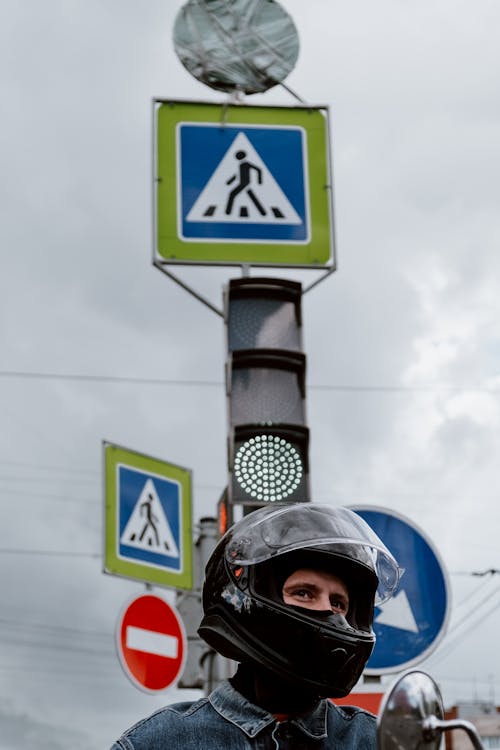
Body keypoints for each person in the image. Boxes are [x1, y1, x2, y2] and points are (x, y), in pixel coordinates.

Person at [111, 503, 402, 750]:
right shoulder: (164, 741)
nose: (328, 610)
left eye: (339, 603)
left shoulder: (370, 740)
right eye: (304, 593)